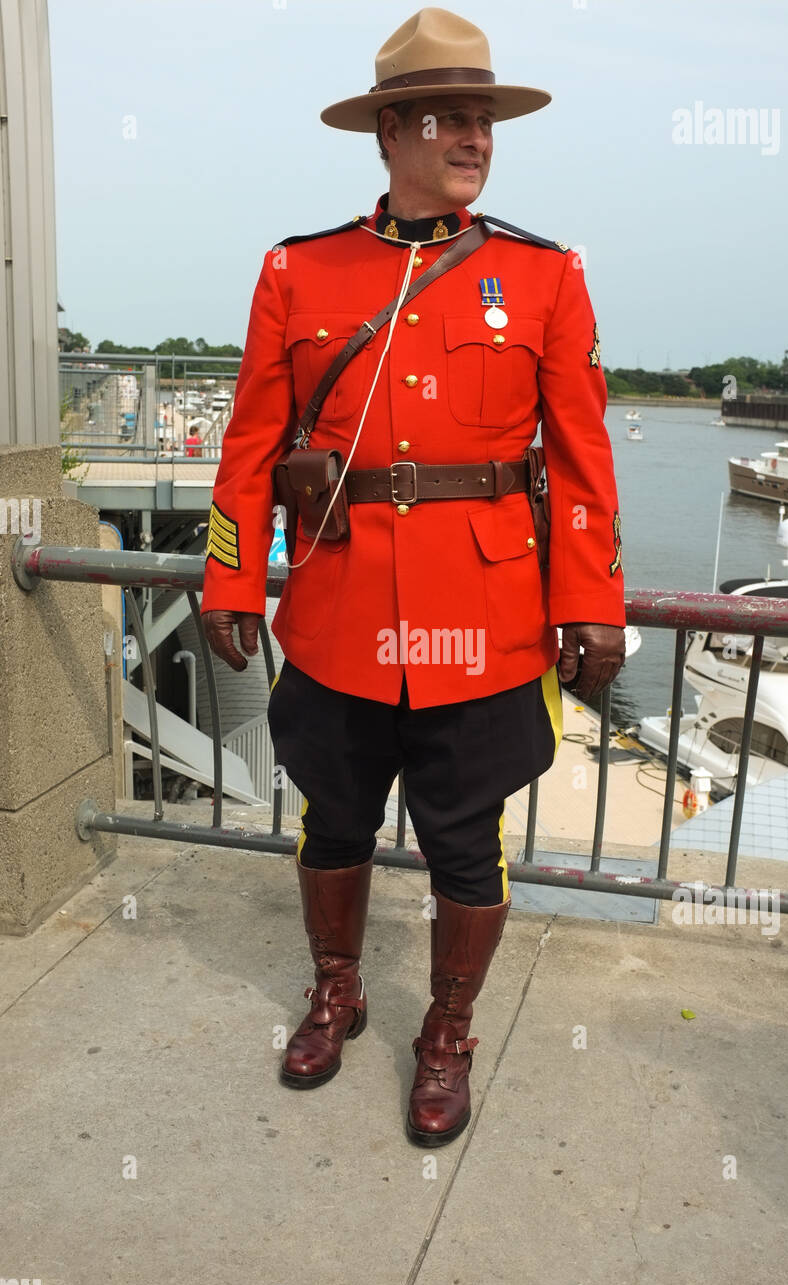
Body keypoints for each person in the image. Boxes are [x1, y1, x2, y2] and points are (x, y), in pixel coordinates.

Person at [200, 6, 626, 1147]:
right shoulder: (298, 270)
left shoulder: (543, 275)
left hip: (483, 618)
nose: (472, 137)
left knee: (464, 838)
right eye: (446, 117)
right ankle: (335, 990)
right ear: (389, 131)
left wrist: (588, 599)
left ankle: (447, 1028)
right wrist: (232, 580)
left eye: (483, 117)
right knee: (330, 820)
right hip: (339, 611)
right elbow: (248, 447)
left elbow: (581, 460)